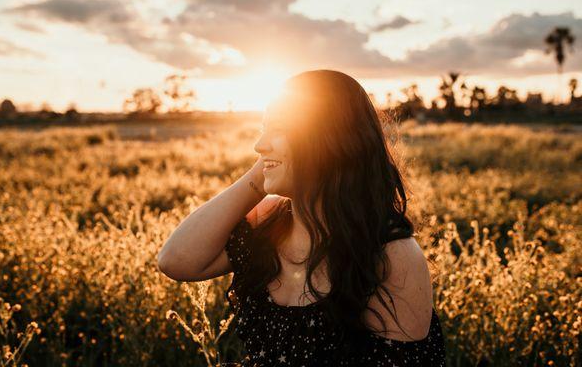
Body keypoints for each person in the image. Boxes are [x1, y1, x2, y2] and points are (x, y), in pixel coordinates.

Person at [158, 69, 447, 366]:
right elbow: (176, 260)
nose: (259, 145)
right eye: (263, 129)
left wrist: (289, 160)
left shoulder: (391, 256)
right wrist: (268, 168)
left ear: (328, 139)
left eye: (278, 129)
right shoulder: (270, 223)